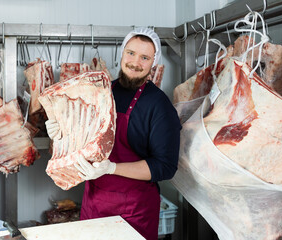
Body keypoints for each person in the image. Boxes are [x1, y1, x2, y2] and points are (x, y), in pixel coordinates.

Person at [46, 27, 181, 240]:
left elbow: (165, 166)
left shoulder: (159, 105)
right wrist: (61, 133)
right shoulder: (101, 92)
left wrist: (112, 168)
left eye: (145, 57)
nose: (135, 62)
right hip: (94, 203)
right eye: (131, 53)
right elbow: (82, 139)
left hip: (134, 211)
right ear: (122, 53)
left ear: (153, 62)